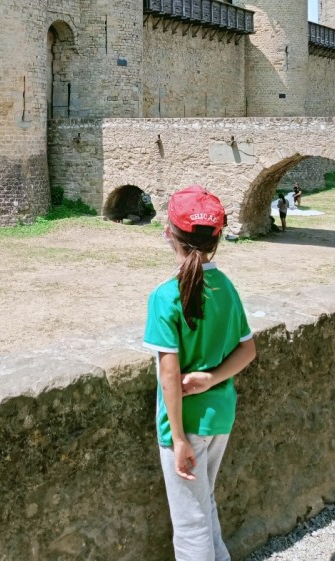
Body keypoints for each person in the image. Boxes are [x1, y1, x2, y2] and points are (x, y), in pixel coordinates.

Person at [143, 185, 256, 561]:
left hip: (184, 424)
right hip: (220, 416)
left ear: (168, 234)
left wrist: (177, 439)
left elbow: (169, 376)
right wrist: (212, 378)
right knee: (204, 504)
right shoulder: (226, 287)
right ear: (217, 239)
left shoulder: (165, 296)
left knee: (191, 525)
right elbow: (248, 350)